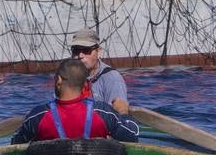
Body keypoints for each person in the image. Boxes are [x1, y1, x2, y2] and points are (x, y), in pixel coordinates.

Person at [11, 57, 140, 144]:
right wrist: (123, 113)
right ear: (85, 85)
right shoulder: (103, 112)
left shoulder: (37, 116)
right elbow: (133, 136)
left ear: (59, 80)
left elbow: (15, 143)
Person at [67, 27, 127, 109]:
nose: (80, 56)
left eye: (86, 50)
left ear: (98, 52)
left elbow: (118, 117)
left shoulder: (112, 78)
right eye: (76, 50)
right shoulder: (68, 77)